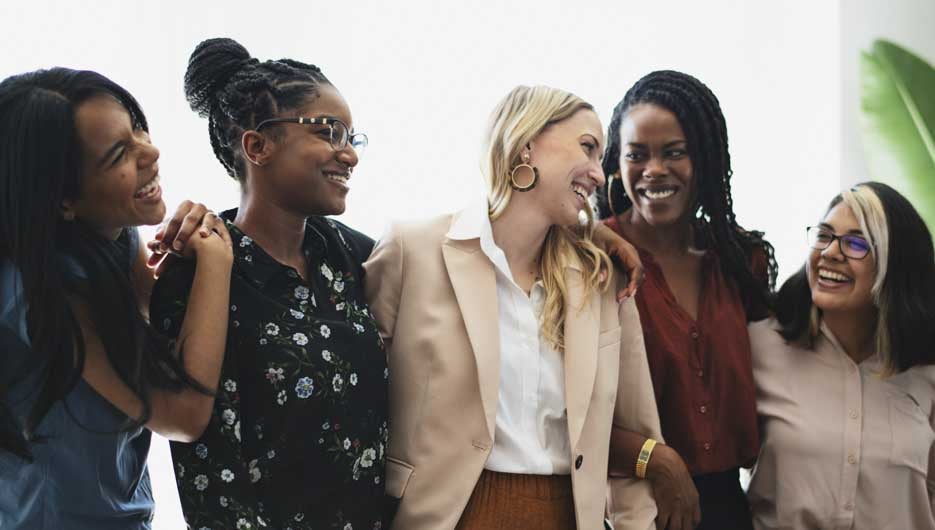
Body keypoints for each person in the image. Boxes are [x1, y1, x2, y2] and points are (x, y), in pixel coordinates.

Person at [364, 84, 661, 530]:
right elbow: (358, 404)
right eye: (587, 148)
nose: (600, 175)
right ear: (527, 144)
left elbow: (637, 431)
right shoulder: (413, 250)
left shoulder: (604, 279)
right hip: (442, 517)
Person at [150, 38, 388, 530]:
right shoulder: (195, 270)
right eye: (329, 132)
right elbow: (207, 469)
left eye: (352, 137)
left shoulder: (357, 258)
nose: (350, 155)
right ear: (257, 145)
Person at [0, 67, 233, 529]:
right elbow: (182, 415)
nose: (151, 151)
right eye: (118, 154)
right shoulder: (48, 293)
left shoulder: (109, 233)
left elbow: (157, 311)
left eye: (137, 128)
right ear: (63, 198)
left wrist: (187, 249)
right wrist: (217, 261)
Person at [597, 70, 777, 530]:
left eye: (674, 153)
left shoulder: (742, 261)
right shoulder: (593, 260)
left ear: (706, 159)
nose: (654, 171)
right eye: (637, 155)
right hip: (627, 505)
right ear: (616, 164)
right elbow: (564, 407)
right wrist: (656, 459)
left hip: (728, 509)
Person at [748, 181, 935, 529]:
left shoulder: (926, 371)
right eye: (824, 235)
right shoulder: (761, 347)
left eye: (856, 243)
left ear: (896, 265)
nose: (831, 252)